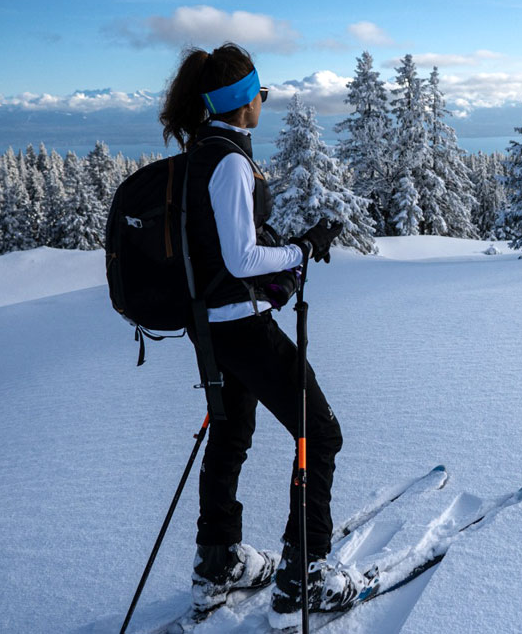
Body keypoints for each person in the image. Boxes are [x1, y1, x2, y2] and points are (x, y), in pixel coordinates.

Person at [158, 42, 364, 616]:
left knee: (232, 434)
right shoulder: (226, 160)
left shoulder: (204, 150)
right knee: (319, 433)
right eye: (260, 95)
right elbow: (241, 258)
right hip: (240, 328)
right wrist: (298, 251)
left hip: (216, 330)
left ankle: (218, 561)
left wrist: (296, 247)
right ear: (243, 102)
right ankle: (307, 572)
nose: (262, 105)